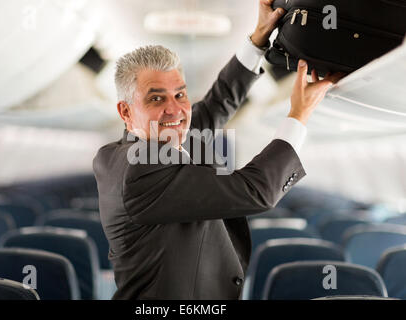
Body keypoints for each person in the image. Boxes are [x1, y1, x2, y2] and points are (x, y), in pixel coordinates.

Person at [93, 0, 343, 299]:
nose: (176, 110)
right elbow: (256, 190)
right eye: (156, 99)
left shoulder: (143, 145)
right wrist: (299, 114)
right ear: (125, 111)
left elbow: (216, 104)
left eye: (180, 94)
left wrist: (258, 39)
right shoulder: (141, 168)